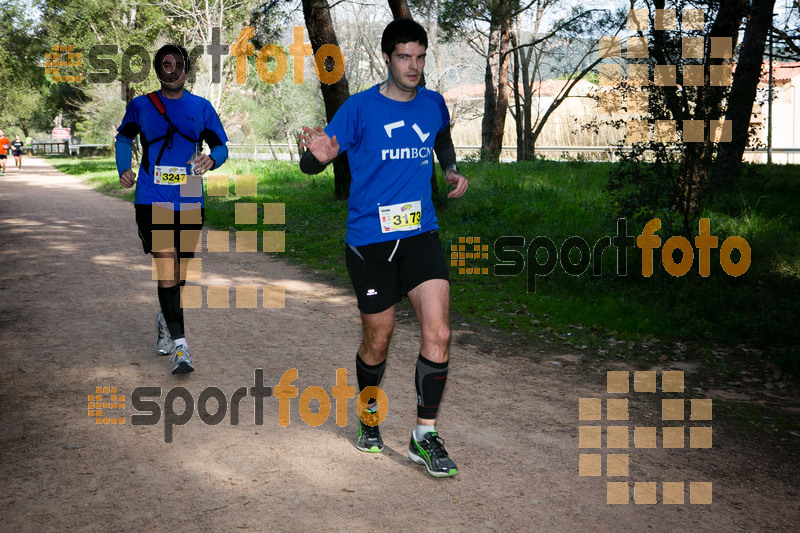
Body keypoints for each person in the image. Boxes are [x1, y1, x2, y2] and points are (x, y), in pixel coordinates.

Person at [299, 18, 468, 478]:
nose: (412, 66)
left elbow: (441, 136)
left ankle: (423, 435)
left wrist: (450, 169)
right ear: (387, 58)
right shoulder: (357, 109)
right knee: (379, 339)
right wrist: (314, 153)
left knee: (439, 333)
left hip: (420, 235)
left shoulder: (433, 104)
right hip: (370, 243)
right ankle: (369, 417)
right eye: (403, 57)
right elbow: (314, 162)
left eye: (419, 57)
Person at [115, 44, 229, 374]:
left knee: (180, 272)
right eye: (166, 64)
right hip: (153, 196)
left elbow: (221, 145)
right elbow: (124, 138)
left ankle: (166, 319)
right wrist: (124, 165)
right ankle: (181, 346)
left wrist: (213, 159)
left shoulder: (201, 107)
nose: (173, 69)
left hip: (190, 195)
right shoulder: (141, 106)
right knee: (167, 263)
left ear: (186, 71)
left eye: (179, 64)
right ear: (158, 70)